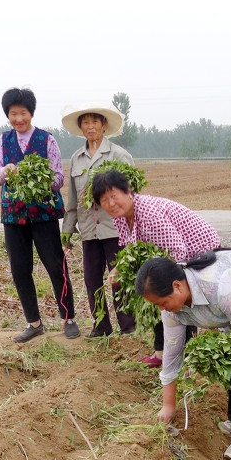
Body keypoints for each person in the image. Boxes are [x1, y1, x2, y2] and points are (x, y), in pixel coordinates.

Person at [135, 250, 231, 460]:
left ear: (177, 285)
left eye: (162, 302)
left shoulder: (219, 285)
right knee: (230, 357)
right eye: (157, 305)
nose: (162, 309)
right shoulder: (171, 311)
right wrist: (168, 406)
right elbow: (172, 353)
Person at [92, 169, 220, 366]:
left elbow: (177, 252)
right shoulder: (120, 216)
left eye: (113, 196)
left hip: (199, 251)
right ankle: (162, 354)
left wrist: (167, 282)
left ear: (128, 190)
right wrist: (119, 268)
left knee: (179, 299)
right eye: (104, 200)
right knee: (155, 298)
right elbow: (133, 246)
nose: (110, 204)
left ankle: (189, 357)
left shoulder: (149, 214)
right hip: (174, 253)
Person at [0, 87, 79, 343]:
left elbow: (59, 177)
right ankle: (34, 323)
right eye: (13, 114)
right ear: (8, 115)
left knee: (55, 265)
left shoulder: (46, 139)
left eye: (23, 113)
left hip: (44, 215)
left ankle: (69, 318)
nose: (18, 119)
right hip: (14, 217)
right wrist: (7, 171)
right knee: (20, 268)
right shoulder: (3, 141)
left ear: (31, 113)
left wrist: (38, 177)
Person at [61, 103, 137, 338]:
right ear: (81, 127)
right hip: (88, 230)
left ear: (104, 126)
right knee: (92, 279)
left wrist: (134, 226)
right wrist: (68, 227)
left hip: (115, 228)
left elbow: (132, 194)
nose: (90, 126)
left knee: (118, 277)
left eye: (95, 121)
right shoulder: (76, 158)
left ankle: (128, 326)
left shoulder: (119, 155)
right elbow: (73, 197)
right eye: (86, 122)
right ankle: (101, 325)